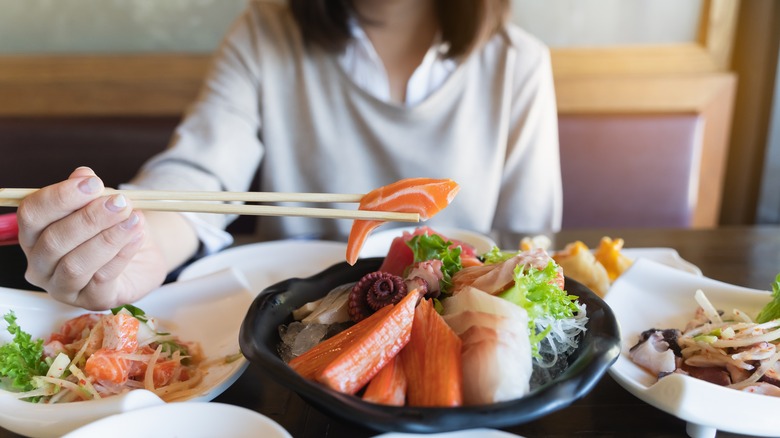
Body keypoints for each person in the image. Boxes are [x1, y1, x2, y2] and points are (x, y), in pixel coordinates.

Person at [16, 0, 562, 310]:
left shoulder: (519, 64)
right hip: (289, 329)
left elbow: (528, 245)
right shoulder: (264, 35)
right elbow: (199, 177)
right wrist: (132, 245)